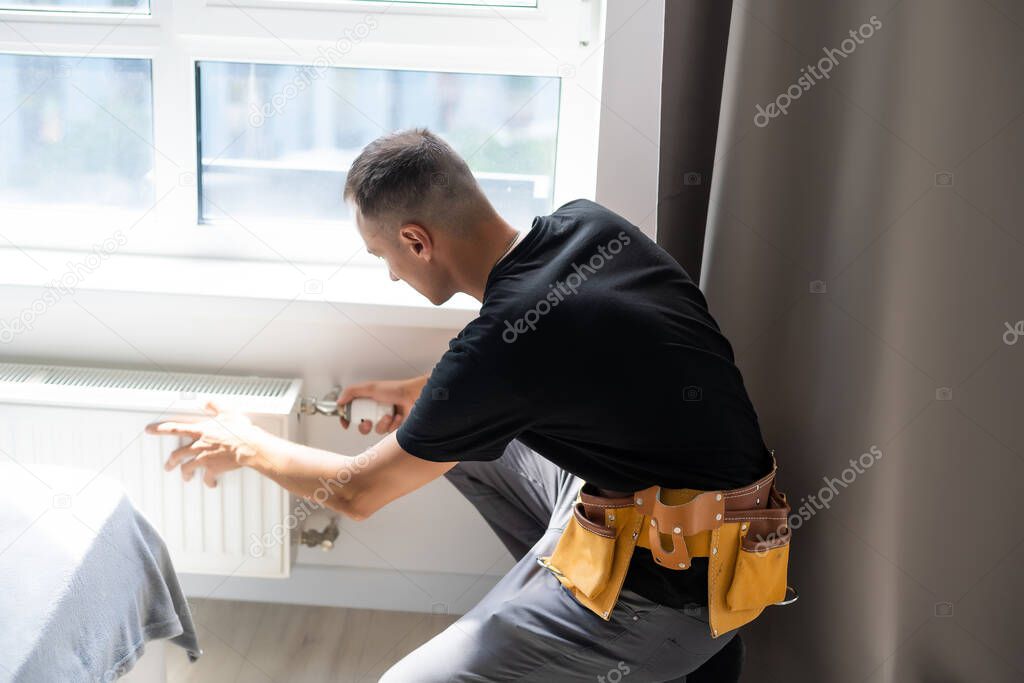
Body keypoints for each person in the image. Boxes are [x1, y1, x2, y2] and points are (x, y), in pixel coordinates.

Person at [147, 128, 780, 681]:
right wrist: (413, 395)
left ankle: (606, 638)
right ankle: (553, 601)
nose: (391, 273)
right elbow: (552, 366)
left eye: (383, 255)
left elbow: (355, 493)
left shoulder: (505, 343)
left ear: (417, 241)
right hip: (712, 528)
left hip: (674, 598)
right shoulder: (590, 226)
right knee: (468, 453)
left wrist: (247, 445)